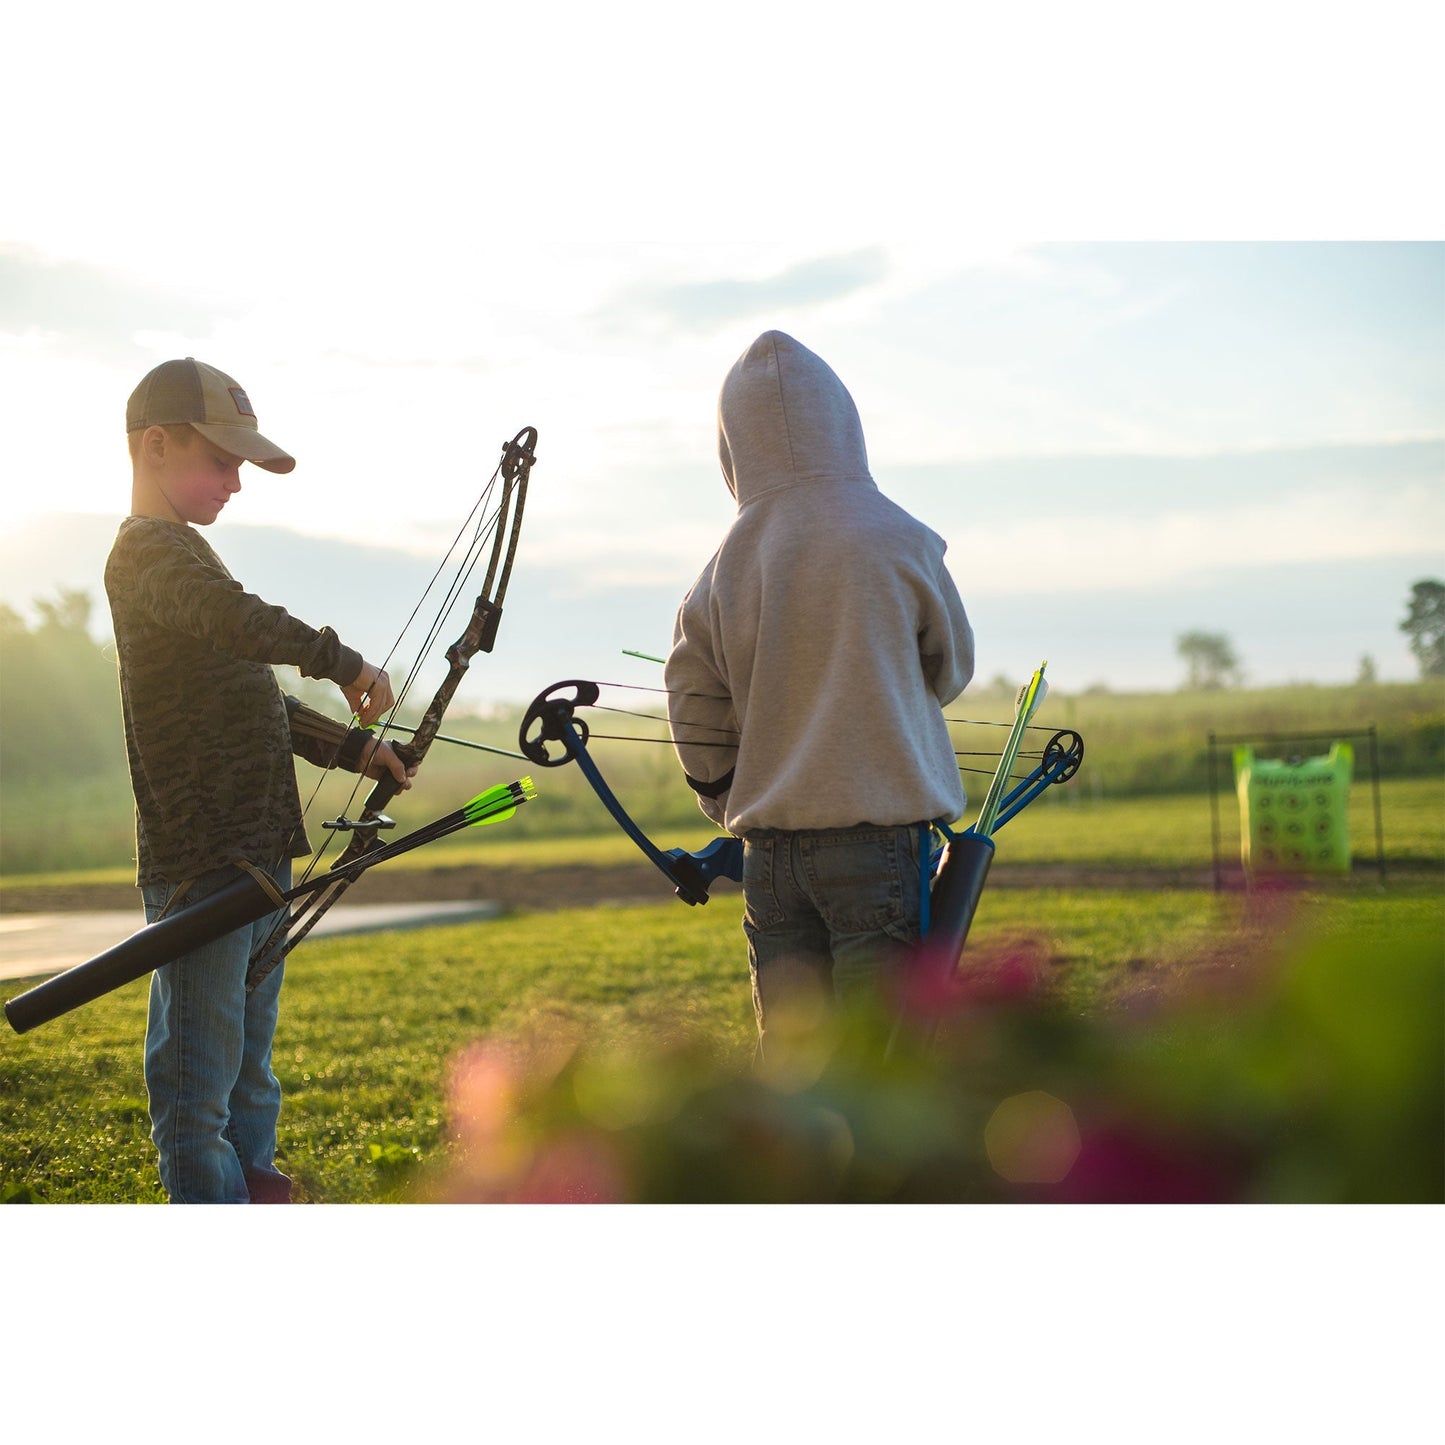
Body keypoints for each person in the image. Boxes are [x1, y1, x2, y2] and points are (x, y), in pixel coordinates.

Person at [107, 356, 414, 1203]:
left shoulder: (187, 553)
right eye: (222, 459)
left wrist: (356, 753)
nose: (236, 480)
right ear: (157, 445)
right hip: (204, 864)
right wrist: (337, 656)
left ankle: (257, 1192)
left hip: (257, 859)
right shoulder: (146, 554)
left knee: (248, 1075)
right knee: (194, 1093)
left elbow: (250, 694)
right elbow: (236, 623)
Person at [664, 330, 975, 1049]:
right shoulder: (898, 536)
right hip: (877, 847)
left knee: (798, 1073)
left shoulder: (720, 570)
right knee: (882, 1062)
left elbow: (691, 698)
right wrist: (888, 692)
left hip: (769, 854)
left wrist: (723, 794)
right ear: (843, 424)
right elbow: (950, 667)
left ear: (731, 448)